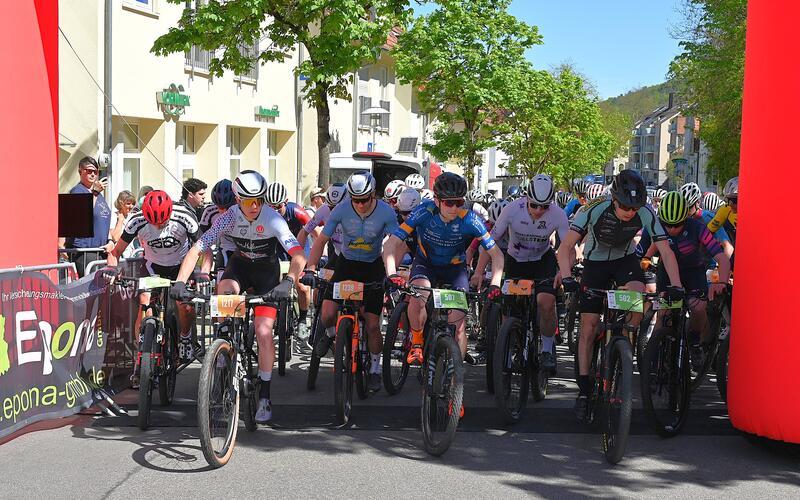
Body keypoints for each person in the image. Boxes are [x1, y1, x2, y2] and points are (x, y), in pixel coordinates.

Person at [171, 170, 305, 423]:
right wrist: (180, 281)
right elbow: (198, 248)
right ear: (237, 199)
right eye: (248, 201)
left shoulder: (273, 218)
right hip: (239, 267)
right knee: (225, 290)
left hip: (267, 272)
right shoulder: (229, 217)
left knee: (263, 332)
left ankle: (264, 394)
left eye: (260, 200)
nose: (255, 207)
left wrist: (288, 281)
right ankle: (224, 339)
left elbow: (298, 254)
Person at [557, 169, 684, 420]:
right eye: (625, 206)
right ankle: (584, 390)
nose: (630, 212)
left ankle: (622, 352)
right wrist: (567, 277)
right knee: (588, 325)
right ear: (614, 199)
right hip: (595, 263)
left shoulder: (645, 211)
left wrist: (677, 285)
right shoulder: (594, 208)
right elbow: (565, 247)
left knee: (637, 298)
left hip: (625, 261)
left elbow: (666, 251)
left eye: (634, 208)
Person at [384, 172, 504, 375]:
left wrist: (495, 284)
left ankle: (456, 377)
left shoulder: (470, 219)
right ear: (437, 200)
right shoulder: (423, 211)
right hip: (426, 264)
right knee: (418, 295)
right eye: (449, 203)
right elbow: (391, 244)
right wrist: (392, 274)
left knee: (458, 325)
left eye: (459, 202)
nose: (455, 208)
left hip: (455, 270)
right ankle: (417, 341)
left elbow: (497, 254)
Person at [304, 171, 398, 393]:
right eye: (356, 200)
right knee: (327, 314)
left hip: (372, 267)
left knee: (373, 325)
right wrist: (310, 268)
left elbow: (395, 243)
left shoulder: (386, 212)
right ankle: (331, 336)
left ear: (373, 195)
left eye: (364, 199)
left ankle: (374, 369)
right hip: (346, 265)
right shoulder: (342, 209)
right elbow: (321, 240)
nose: (360, 205)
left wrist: (392, 274)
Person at [472, 174, 569, 374]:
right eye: (534, 205)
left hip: (543, 261)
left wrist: (563, 271)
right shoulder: (512, 209)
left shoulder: (558, 214)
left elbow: (567, 247)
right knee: (510, 309)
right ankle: (508, 347)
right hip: (516, 261)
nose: (539, 210)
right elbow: (490, 243)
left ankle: (547, 349)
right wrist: (479, 272)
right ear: (527, 199)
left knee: (546, 303)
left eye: (544, 206)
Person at [104, 190, 200, 382]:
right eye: (153, 222)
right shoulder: (136, 221)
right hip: (152, 267)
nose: (158, 226)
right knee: (144, 303)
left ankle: (185, 336)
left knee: (185, 306)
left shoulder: (185, 217)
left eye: (162, 222)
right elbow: (115, 252)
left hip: (180, 266)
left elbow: (202, 248)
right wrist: (113, 269)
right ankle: (142, 358)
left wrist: (203, 272)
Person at [643, 191, 731, 368]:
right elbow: (647, 252)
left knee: (698, 308)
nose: (671, 229)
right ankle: (654, 355)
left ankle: (695, 341)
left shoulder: (698, 228)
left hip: (693, 273)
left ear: (686, 218)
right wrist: (645, 261)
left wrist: (721, 282)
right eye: (667, 225)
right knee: (663, 314)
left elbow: (722, 258)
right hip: (667, 274)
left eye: (677, 225)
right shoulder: (658, 226)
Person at [265, 182, 313, 331]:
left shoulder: (297, 211)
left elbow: (317, 233)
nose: (275, 211)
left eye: (278, 207)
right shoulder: (264, 213)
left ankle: (303, 319)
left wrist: (320, 257)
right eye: (271, 207)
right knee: (271, 281)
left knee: (302, 287)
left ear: (286, 202)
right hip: (278, 248)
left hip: (299, 247)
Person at [58, 156, 113, 276]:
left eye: (96, 172)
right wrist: (95, 192)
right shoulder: (76, 191)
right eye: (89, 171)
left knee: (103, 285)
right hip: (85, 252)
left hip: (102, 250)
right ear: (80, 172)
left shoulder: (99, 196)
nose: (93, 174)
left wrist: (110, 241)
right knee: (92, 285)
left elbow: (104, 220)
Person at [199, 179, 238, 272]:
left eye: (228, 207)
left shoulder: (244, 211)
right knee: (220, 275)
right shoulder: (210, 211)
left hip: (244, 250)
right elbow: (201, 238)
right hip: (226, 247)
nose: (224, 211)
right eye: (220, 207)